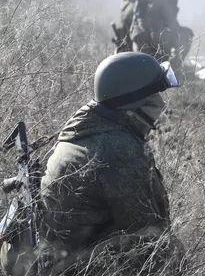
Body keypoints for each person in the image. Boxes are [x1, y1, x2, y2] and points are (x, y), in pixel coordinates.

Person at [33, 52, 183, 276]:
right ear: (134, 102)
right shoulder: (117, 150)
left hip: (59, 259)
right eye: (154, 96)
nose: (160, 104)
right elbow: (150, 238)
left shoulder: (88, 126)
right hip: (78, 267)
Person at [122, 0, 194, 77]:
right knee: (186, 35)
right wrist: (164, 49)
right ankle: (172, 73)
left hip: (143, 37)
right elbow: (164, 23)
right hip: (148, 40)